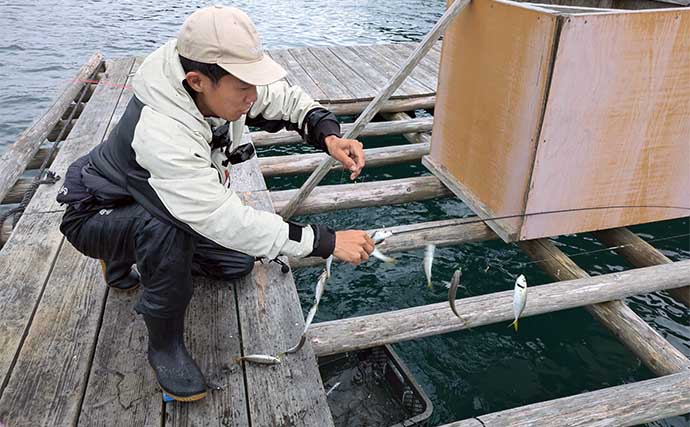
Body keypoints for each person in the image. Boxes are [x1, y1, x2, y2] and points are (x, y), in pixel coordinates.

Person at [56, 5, 374, 402]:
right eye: (244, 89)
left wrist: (328, 135)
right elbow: (215, 216)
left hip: (144, 196)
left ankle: (127, 257)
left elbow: (282, 99)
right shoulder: (163, 132)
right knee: (169, 227)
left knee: (235, 264)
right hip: (93, 212)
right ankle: (164, 344)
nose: (253, 98)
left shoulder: (217, 83)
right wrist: (324, 242)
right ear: (197, 81)